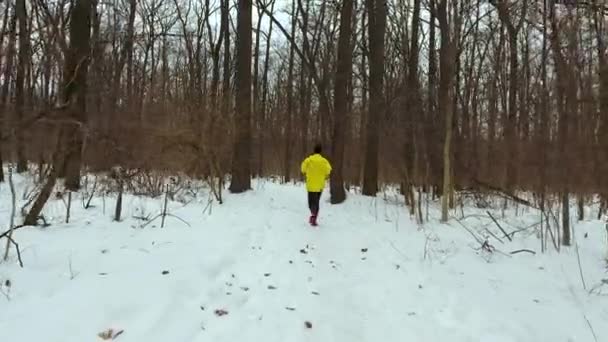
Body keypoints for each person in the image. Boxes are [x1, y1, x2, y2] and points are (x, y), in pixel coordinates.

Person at [300, 144, 332, 226]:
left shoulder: (309, 160)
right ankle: (314, 217)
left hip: (311, 185)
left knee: (311, 203)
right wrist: (324, 175)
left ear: (314, 151)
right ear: (320, 151)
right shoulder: (324, 161)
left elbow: (302, 169)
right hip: (320, 185)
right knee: (316, 201)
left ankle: (313, 215)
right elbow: (328, 171)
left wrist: (307, 171)